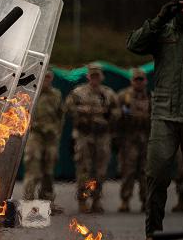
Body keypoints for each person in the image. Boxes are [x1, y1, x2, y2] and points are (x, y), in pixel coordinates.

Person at [127, 0, 183, 240]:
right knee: (156, 176)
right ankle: (153, 237)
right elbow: (134, 45)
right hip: (164, 115)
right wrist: (157, 19)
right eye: (180, 7)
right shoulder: (163, 33)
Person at [64, 64, 120, 214]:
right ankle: (83, 200)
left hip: (102, 136)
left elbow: (117, 112)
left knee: (101, 170)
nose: (95, 79)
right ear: (88, 77)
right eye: (92, 76)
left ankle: (96, 200)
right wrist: (83, 112)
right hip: (84, 135)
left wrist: (107, 115)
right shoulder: (78, 92)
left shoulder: (108, 94)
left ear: (101, 77)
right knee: (83, 168)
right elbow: (68, 108)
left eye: (97, 76)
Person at [22, 69, 64, 212]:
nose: (46, 80)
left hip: (51, 137)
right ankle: (28, 203)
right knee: (33, 167)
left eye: (48, 77)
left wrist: (56, 132)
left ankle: (47, 203)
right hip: (35, 135)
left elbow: (60, 116)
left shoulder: (56, 94)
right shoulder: (32, 94)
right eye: (44, 77)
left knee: (49, 170)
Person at [117, 68, 150, 212]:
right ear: (132, 81)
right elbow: (115, 115)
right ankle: (125, 200)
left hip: (146, 139)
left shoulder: (150, 97)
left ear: (145, 81)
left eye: (141, 80)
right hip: (129, 139)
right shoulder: (124, 96)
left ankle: (146, 201)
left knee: (146, 172)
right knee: (128, 171)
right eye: (136, 80)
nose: (139, 82)